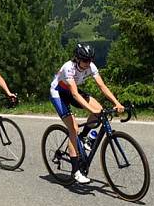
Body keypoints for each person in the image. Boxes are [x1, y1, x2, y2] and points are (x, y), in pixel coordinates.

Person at [50, 43, 124, 184]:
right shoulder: (68, 68)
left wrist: (117, 103)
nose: (88, 63)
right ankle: (76, 171)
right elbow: (75, 95)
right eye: (85, 60)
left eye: (90, 60)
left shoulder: (91, 66)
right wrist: (91, 110)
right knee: (73, 129)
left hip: (72, 92)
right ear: (77, 59)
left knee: (100, 111)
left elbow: (102, 86)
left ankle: (83, 137)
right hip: (58, 93)